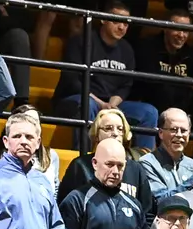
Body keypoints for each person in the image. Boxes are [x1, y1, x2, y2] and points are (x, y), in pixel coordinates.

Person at [51, 1, 159, 146]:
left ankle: (145, 163)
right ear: (103, 19)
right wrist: (101, 104)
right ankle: (83, 157)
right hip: (77, 100)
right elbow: (73, 81)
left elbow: (126, 85)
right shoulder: (81, 42)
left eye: (126, 24)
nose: (121, 27)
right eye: (117, 21)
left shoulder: (127, 49)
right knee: (87, 105)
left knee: (149, 112)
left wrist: (111, 105)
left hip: (110, 104)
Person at [141, 109, 193, 202]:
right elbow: (162, 200)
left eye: (183, 131)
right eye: (173, 130)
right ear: (161, 133)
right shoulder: (147, 163)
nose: (179, 135)